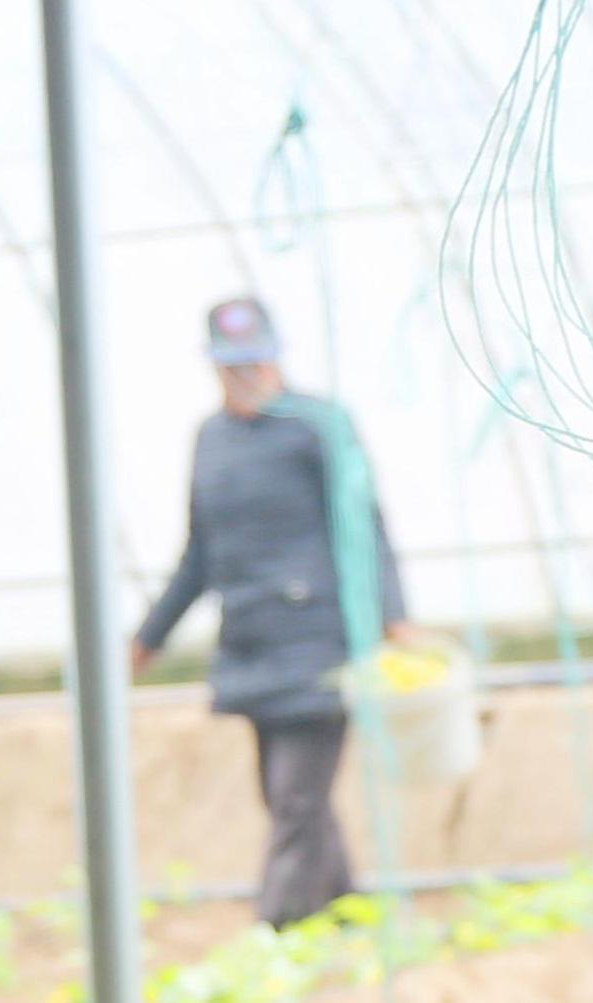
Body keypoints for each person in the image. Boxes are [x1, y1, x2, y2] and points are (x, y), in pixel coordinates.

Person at [132, 295, 406, 932]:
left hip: (320, 645)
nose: (247, 375)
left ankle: (277, 928)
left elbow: (365, 528)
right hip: (252, 644)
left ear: (277, 357)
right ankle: (341, 907)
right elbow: (200, 552)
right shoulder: (212, 441)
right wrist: (149, 638)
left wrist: (393, 618)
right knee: (287, 798)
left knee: (296, 797)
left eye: (256, 360)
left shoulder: (319, 426)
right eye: (233, 365)